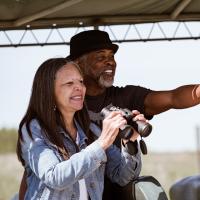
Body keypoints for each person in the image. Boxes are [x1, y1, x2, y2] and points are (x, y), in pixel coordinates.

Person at [65, 30, 200, 199]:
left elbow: (173, 97)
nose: (110, 62)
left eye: (112, 57)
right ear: (78, 64)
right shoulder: (64, 105)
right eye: (101, 57)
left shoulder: (126, 97)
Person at [16, 58, 146, 200]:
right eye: (69, 83)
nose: (79, 87)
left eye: (81, 82)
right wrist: (101, 143)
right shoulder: (34, 129)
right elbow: (54, 177)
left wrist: (130, 142)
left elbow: (123, 177)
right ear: (49, 90)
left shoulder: (91, 130)